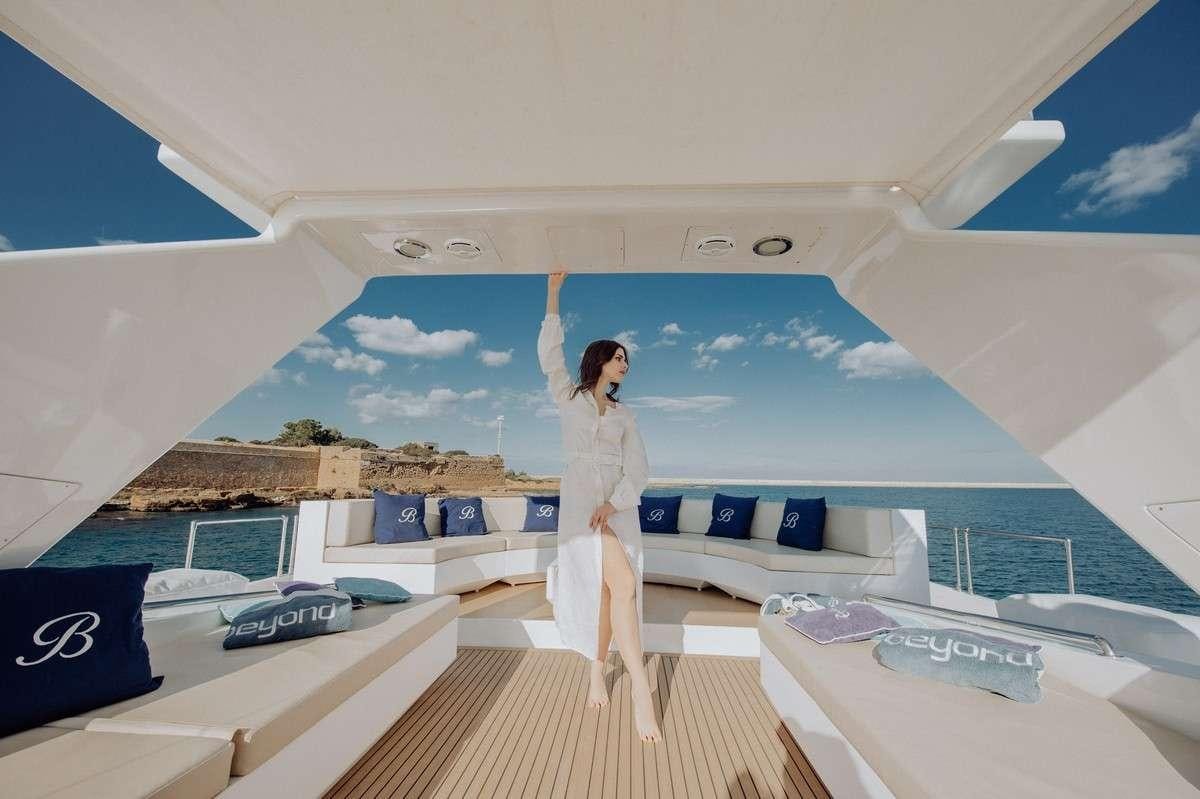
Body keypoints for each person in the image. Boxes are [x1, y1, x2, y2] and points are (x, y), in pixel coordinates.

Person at [537, 270, 662, 743]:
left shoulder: (625, 415)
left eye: (626, 359)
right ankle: (640, 690)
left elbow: (640, 469)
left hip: (615, 507)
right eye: (617, 356)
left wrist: (614, 503)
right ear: (599, 361)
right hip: (579, 502)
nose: (624, 363)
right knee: (612, 587)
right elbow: (549, 355)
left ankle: (600, 673)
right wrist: (553, 292)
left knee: (615, 591)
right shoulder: (568, 398)